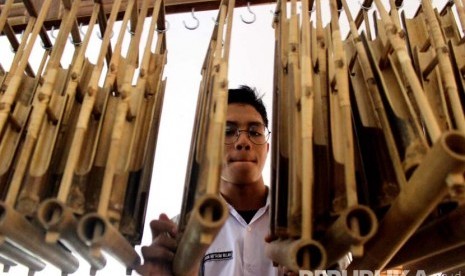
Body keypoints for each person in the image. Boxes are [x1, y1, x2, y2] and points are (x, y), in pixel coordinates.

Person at [138, 85, 277, 275]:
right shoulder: (181, 231)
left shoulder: (299, 225)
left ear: (267, 148)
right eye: (228, 131)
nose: (243, 142)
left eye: (254, 132)